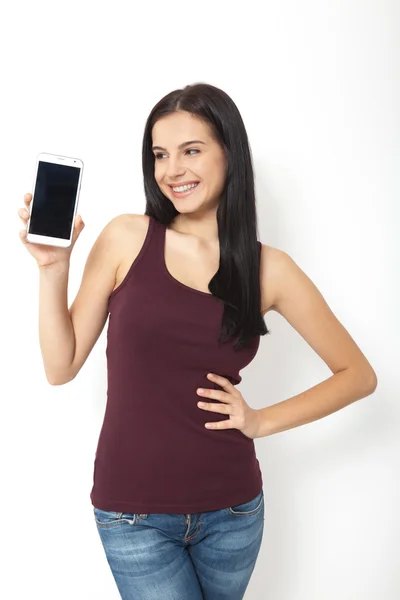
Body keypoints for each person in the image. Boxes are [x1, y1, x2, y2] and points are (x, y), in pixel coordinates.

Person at [18, 83, 377, 600]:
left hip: (233, 511)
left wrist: (260, 421)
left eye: (191, 150)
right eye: (160, 155)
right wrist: (54, 269)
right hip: (132, 512)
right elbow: (61, 366)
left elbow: (358, 375)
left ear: (229, 152)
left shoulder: (270, 269)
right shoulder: (126, 237)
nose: (172, 170)